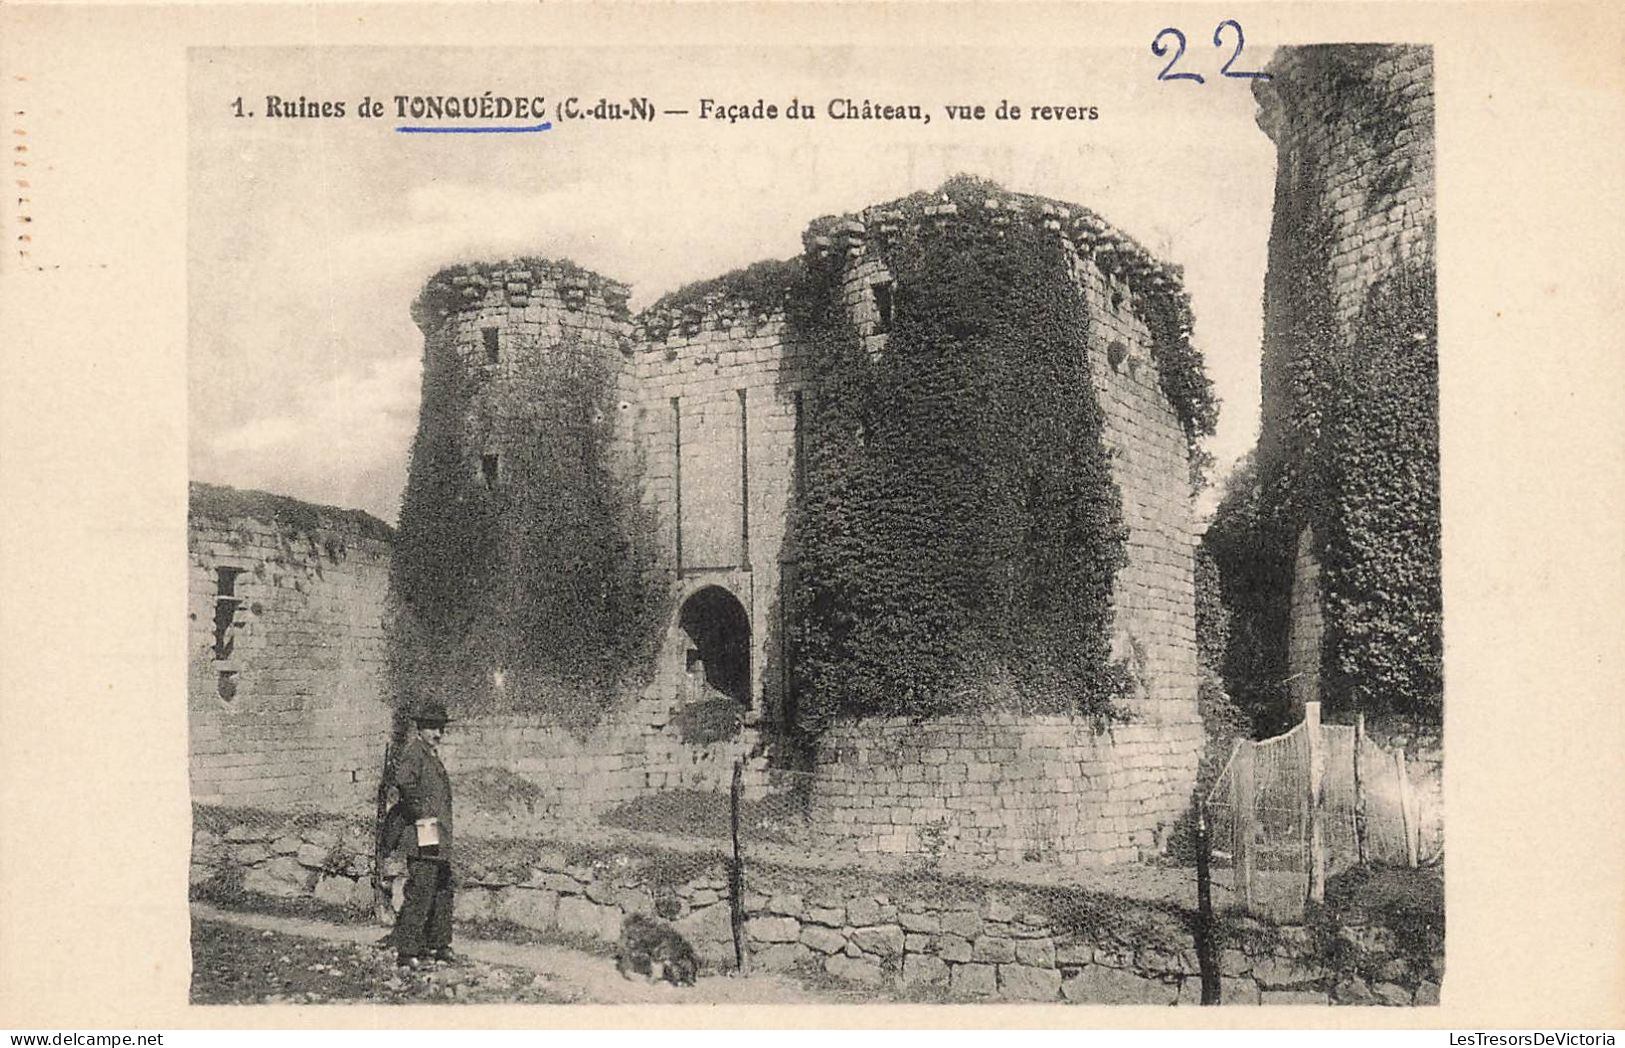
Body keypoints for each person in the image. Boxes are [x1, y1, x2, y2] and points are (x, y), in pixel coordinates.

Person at [391, 701, 457, 968]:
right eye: (431, 728)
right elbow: (404, 783)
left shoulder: (431, 755)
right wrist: (424, 816)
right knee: (421, 889)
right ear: (420, 729)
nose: (437, 734)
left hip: (438, 833)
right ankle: (408, 951)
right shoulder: (414, 752)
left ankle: (439, 945)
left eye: (440, 728)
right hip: (425, 831)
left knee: (442, 889)